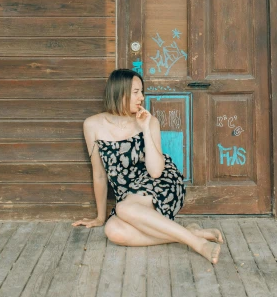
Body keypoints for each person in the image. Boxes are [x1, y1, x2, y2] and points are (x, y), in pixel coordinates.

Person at [73, 68, 222, 264]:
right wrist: (100, 217)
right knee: (113, 230)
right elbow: (99, 174)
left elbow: (155, 171)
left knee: (123, 209)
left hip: (161, 183)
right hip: (129, 196)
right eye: (136, 92)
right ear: (119, 92)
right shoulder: (92, 125)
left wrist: (144, 129)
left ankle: (198, 244)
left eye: (141, 92)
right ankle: (188, 232)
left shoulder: (150, 122)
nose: (141, 97)